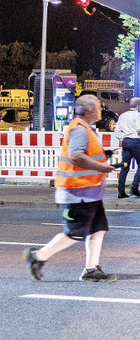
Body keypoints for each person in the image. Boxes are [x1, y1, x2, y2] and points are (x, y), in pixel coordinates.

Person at [22, 94, 118, 282]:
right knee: (75, 234)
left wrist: (103, 154)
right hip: (77, 193)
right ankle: (38, 256)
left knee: (99, 228)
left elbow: (85, 154)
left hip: (89, 193)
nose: (100, 108)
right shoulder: (80, 130)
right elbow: (76, 156)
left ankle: (91, 270)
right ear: (90, 110)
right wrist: (102, 167)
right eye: (98, 106)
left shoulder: (85, 128)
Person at [113, 96, 140, 198]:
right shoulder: (138, 115)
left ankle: (121, 191)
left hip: (126, 142)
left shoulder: (123, 115)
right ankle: (134, 187)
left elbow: (117, 130)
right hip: (135, 141)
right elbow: (139, 128)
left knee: (125, 167)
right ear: (137, 106)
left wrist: (123, 138)